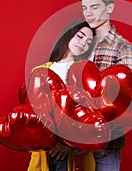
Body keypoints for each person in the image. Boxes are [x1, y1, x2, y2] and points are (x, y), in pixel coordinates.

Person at [77, 0, 132, 171]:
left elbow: (125, 104)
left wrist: (89, 139)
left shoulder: (123, 49)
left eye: (94, 7)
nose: (88, 13)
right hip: (71, 144)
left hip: (105, 147)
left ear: (109, 7)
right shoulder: (79, 43)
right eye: (84, 8)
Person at [27, 20, 96, 171]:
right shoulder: (40, 71)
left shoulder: (86, 75)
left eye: (88, 42)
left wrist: (73, 146)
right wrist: (51, 143)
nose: (83, 43)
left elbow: (92, 114)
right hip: (47, 150)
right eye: (80, 36)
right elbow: (35, 113)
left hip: (74, 152)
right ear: (69, 34)